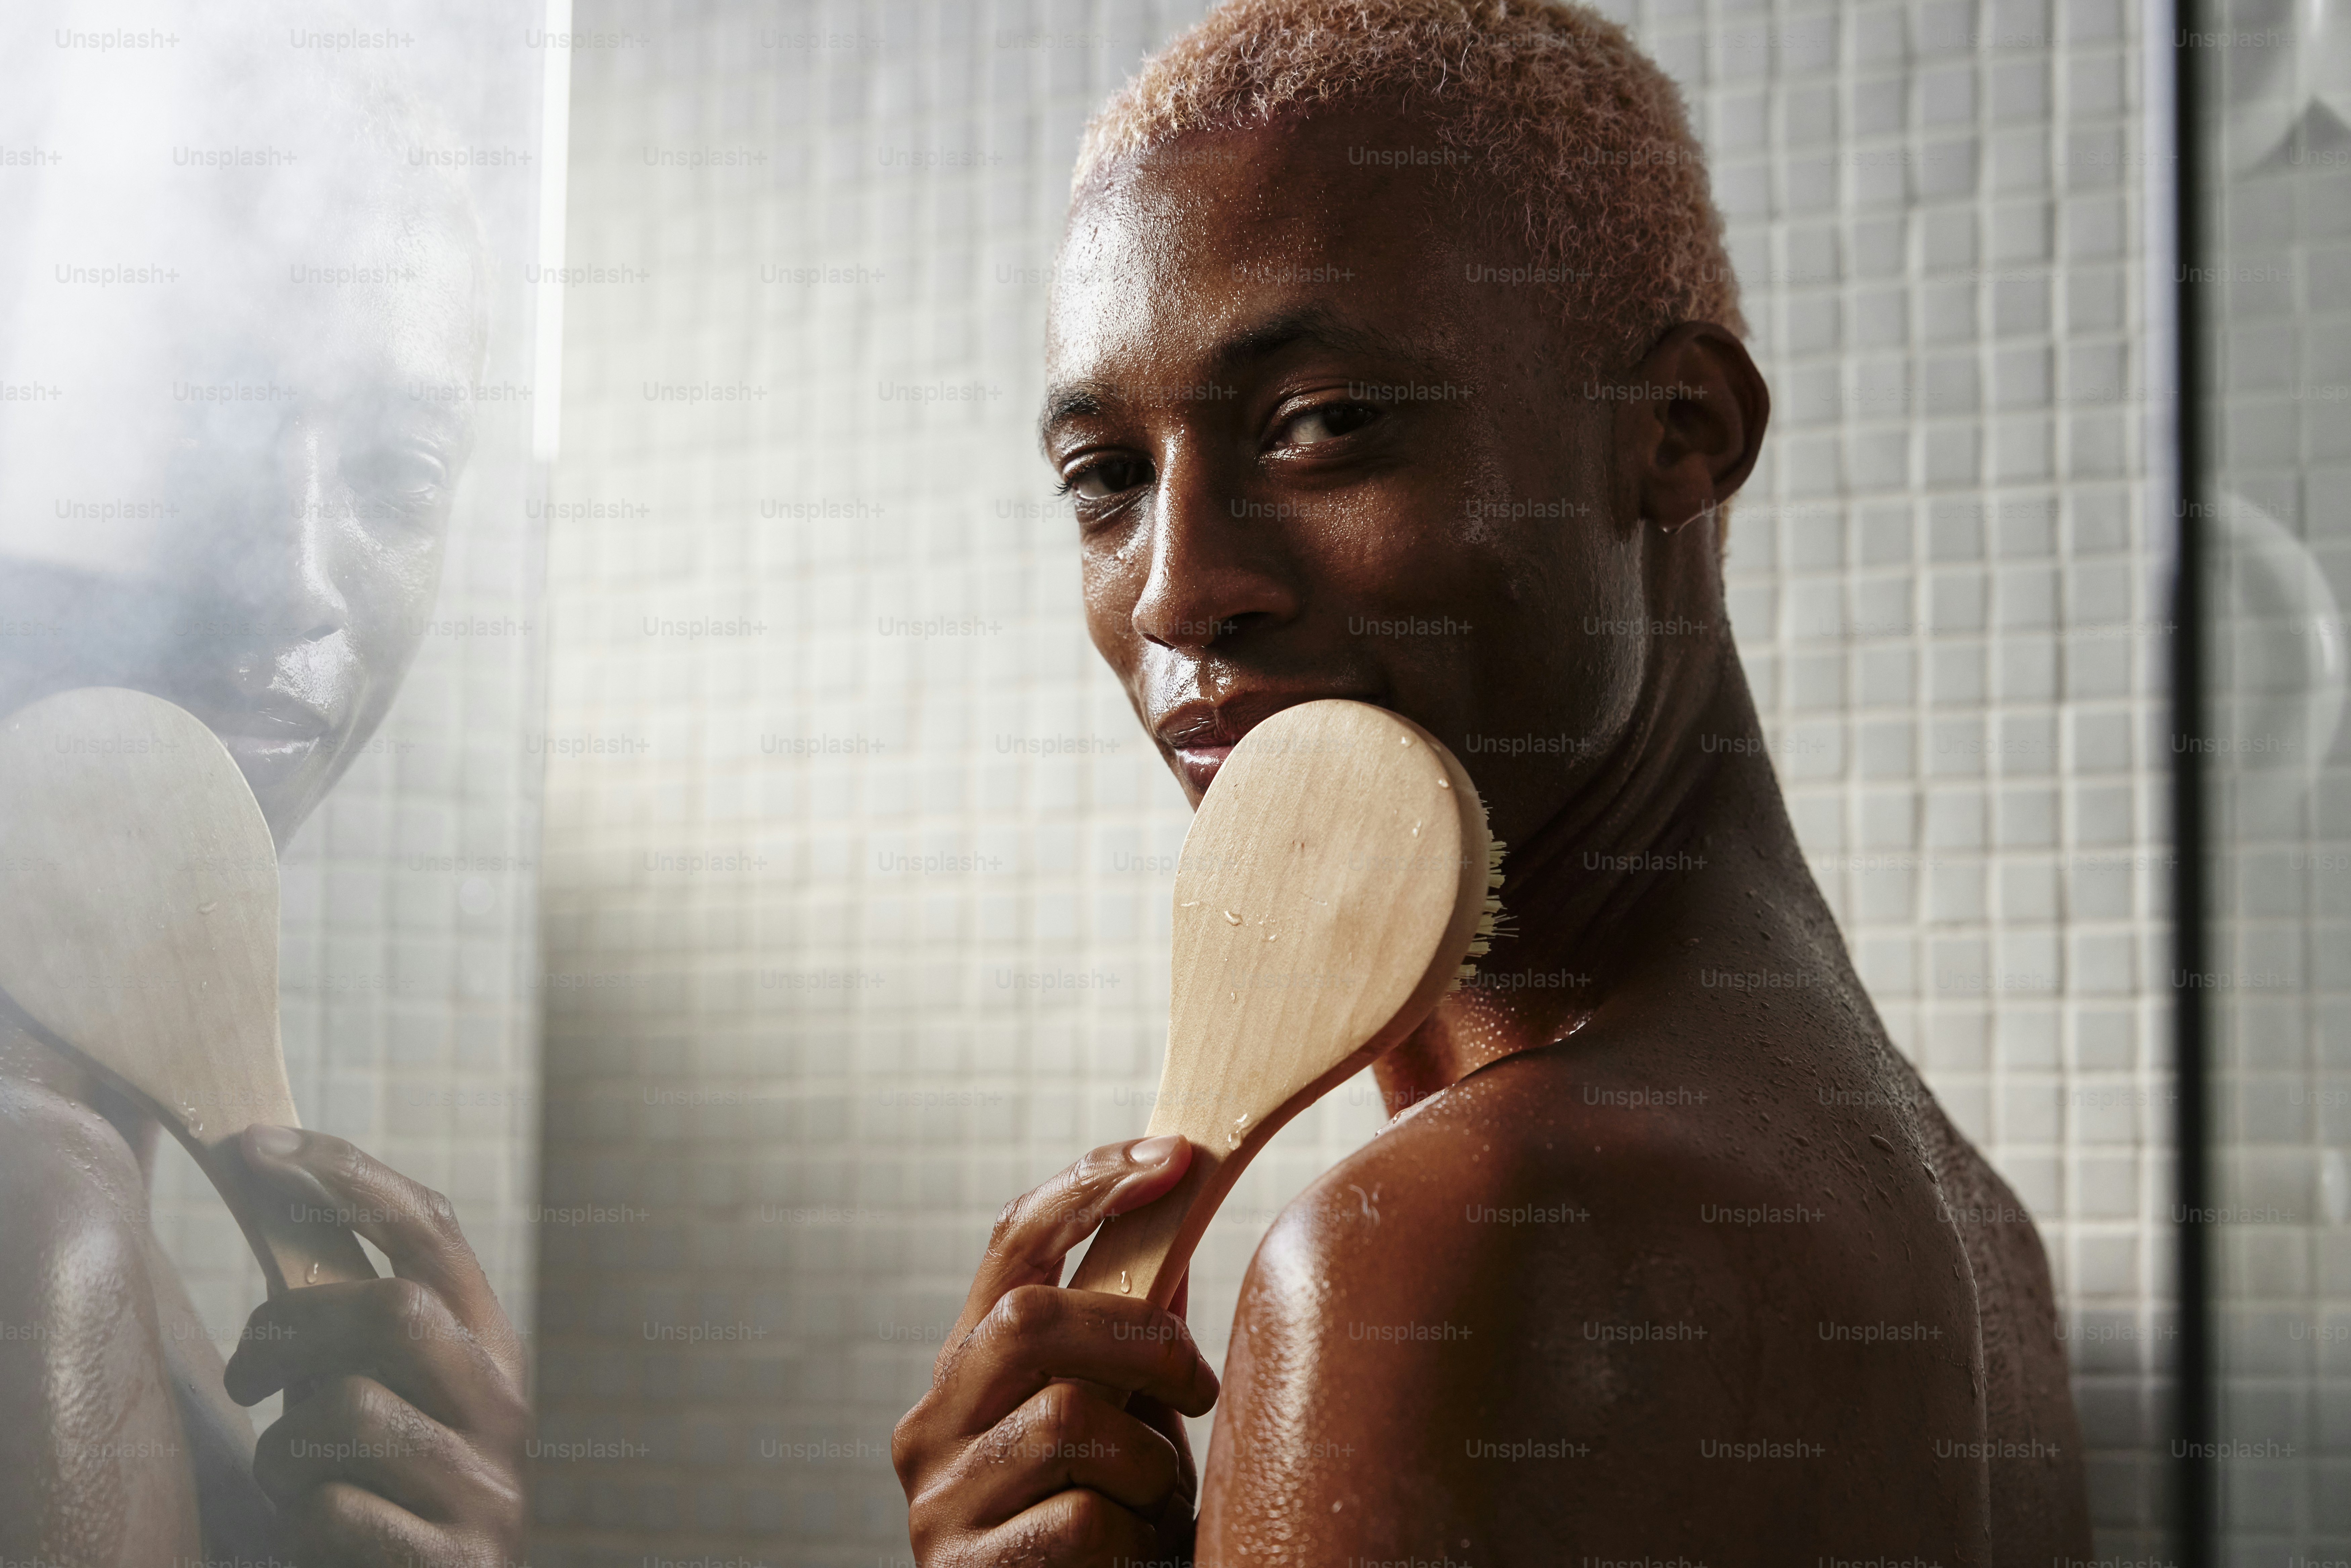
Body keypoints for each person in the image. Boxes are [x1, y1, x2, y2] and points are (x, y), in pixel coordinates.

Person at [891, 1, 2092, 1561]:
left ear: (1677, 432)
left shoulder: (1444, 1250)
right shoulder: (1983, 1240)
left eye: (1323, 424)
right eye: (1106, 478)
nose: (1179, 590)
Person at [0, 32, 530, 1566]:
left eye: (397, 474)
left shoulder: (88, 1177)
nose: (293, 576)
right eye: (193, 419)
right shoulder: (42, 1211)